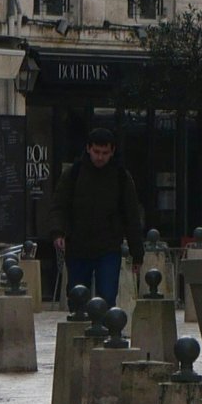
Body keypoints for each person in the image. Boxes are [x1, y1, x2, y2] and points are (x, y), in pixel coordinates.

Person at [51, 121, 144, 310]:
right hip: (78, 245)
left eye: (104, 153)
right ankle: (79, 335)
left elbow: (131, 216)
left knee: (107, 298)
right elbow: (59, 206)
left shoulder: (120, 177)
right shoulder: (73, 174)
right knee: (77, 297)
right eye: (96, 152)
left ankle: (105, 334)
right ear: (88, 149)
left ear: (112, 152)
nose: (100, 157)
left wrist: (137, 254)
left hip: (108, 247)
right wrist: (58, 232)